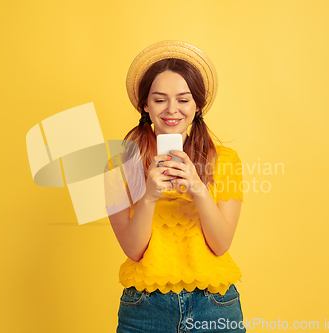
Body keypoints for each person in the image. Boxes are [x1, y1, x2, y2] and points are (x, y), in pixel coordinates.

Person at [105, 41, 246, 333]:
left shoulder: (226, 160)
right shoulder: (117, 166)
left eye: (183, 99)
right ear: (145, 105)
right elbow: (133, 250)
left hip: (215, 305)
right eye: (159, 100)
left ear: (197, 106)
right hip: (144, 309)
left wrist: (198, 188)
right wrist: (148, 198)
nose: (172, 110)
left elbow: (220, 244)